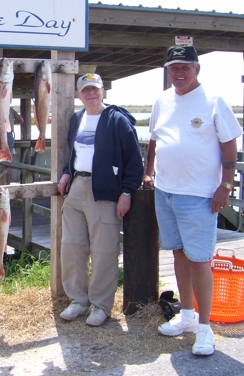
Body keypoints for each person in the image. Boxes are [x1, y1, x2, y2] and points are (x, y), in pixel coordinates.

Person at [143, 45, 242, 355]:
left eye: (185, 66)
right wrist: (149, 173)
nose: (179, 72)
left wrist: (225, 186)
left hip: (199, 195)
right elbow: (154, 142)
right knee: (179, 256)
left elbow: (229, 149)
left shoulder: (214, 101)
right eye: (174, 67)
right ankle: (186, 316)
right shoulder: (162, 101)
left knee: (200, 261)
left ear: (197, 68)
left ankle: (204, 328)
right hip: (166, 192)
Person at [57, 73, 143, 327]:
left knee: (104, 251)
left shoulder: (117, 120)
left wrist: (126, 193)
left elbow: (134, 163)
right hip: (76, 187)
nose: (91, 94)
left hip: (105, 190)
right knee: (71, 246)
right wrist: (65, 172)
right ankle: (78, 300)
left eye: (95, 89)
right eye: (86, 90)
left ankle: (101, 305)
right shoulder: (76, 119)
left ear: (103, 91)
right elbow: (74, 152)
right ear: (78, 95)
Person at [0, 107, 24, 183]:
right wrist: (11, 122)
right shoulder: (10, 109)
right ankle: (8, 184)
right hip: (10, 135)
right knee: (8, 162)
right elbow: (21, 120)